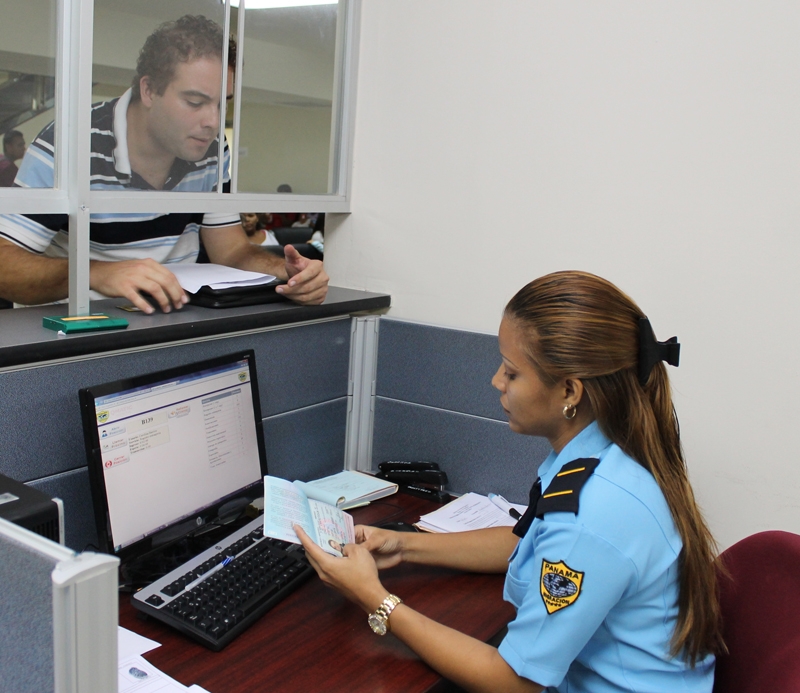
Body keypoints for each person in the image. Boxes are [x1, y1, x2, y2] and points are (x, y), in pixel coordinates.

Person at [295, 271, 724, 693]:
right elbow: (530, 544)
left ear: (570, 392)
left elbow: (514, 682)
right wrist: (403, 545)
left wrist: (374, 598)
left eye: (512, 372)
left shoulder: (592, 512)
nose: (496, 381)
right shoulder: (608, 453)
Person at [0, 15, 328, 313]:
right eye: (195, 102)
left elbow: (231, 252)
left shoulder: (212, 149)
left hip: (174, 322)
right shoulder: (70, 142)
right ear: (148, 90)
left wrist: (287, 274)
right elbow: (4, 264)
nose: (213, 122)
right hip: (81, 328)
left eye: (222, 104)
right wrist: (95, 273)